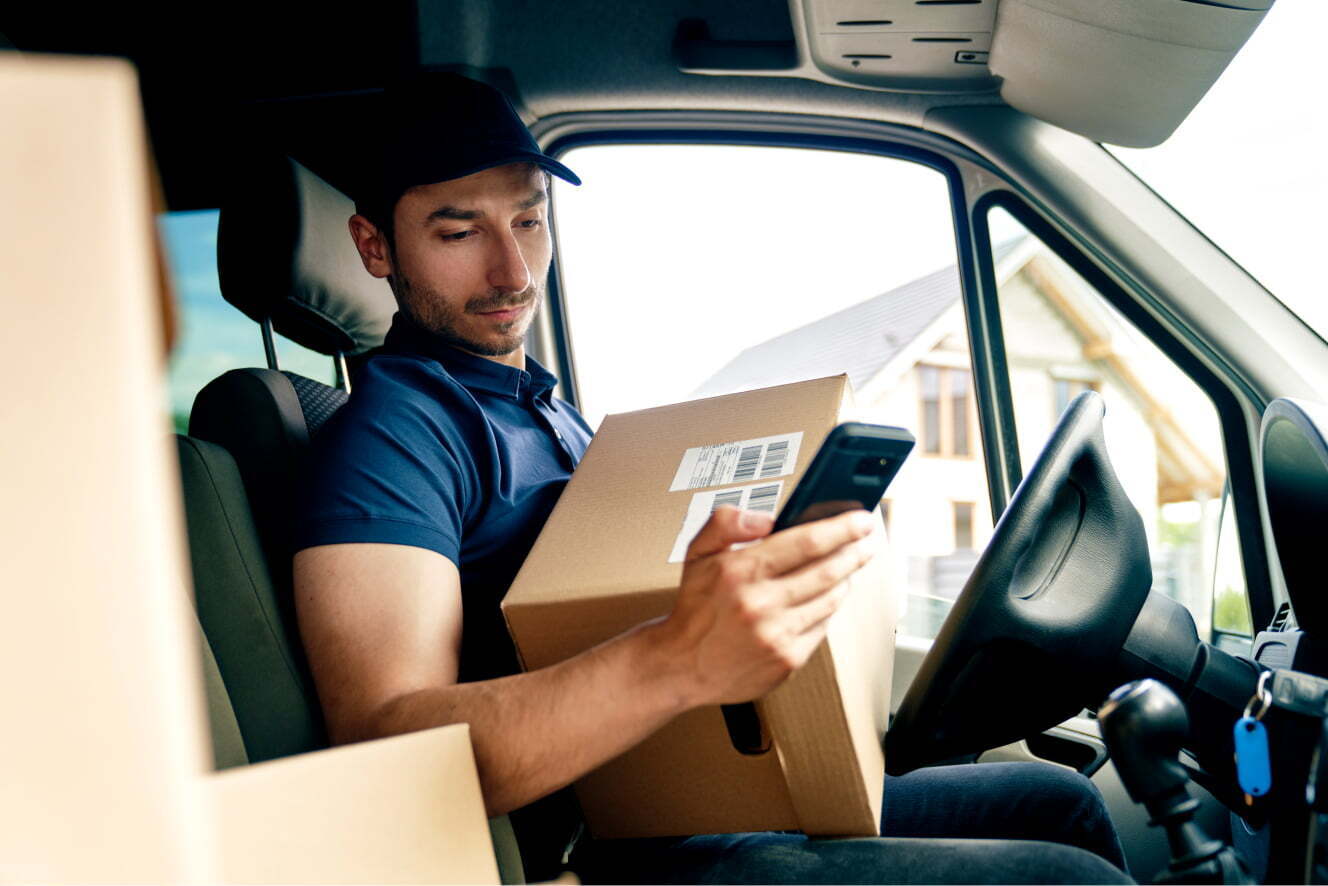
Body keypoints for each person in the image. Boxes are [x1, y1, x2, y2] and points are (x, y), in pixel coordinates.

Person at [292, 73, 1129, 885]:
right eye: (458, 232)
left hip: (689, 796)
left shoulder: (540, 406)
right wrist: (679, 654)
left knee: (1059, 803)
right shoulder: (393, 437)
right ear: (375, 246)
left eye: (529, 219)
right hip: (606, 852)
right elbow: (387, 750)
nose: (513, 271)